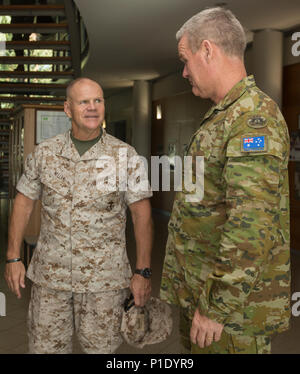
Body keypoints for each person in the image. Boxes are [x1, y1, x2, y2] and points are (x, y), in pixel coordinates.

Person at [160, 7, 290, 354]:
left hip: (232, 317)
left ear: (208, 50)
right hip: (205, 298)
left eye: (186, 60)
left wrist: (216, 308)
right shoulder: (223, 115)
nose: (185, 72)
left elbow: (250, 227)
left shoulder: (252, 118)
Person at [5, 77, 153, 354]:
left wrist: (143, 271)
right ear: (67, 109)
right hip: (51, 280)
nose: (93, 107)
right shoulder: (45, 154)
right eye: (84, 101)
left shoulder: (125, 156)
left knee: (101, 351)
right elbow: (23, 204)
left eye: (98, 100)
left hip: (104, 285)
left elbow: (141, 216)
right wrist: (13, 257)